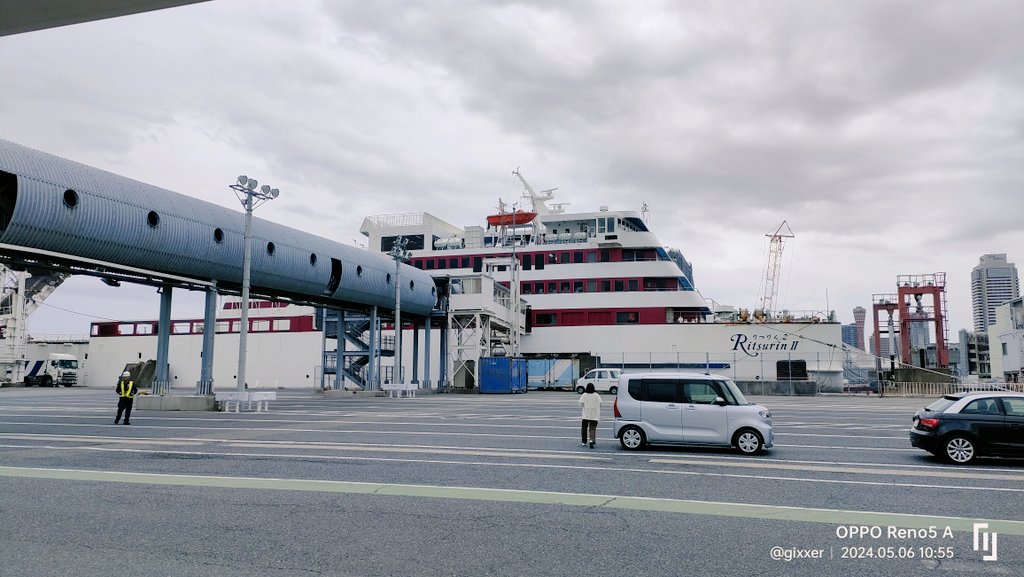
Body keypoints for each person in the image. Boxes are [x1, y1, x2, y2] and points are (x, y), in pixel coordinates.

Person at [578, 382, 602, 448]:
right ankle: (591, 440)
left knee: (584, 428)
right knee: (592, 428)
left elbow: (580, 404)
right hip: (594, 415)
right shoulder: (597, 395)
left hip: (586, 415)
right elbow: (600, 403)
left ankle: (584, 441)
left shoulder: (584, 395)